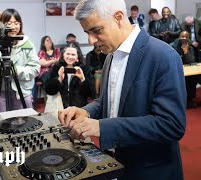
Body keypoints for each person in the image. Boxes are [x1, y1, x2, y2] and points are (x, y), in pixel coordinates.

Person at [58, 1, 186, 180]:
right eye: (87, 33)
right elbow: (107, 101)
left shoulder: (163, 56)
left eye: (97, 30)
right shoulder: (110, 56)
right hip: (117, 166)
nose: (91, 41)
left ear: (118, 18)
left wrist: (102, 127)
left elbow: (171, 125)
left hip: (149, 171)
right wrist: (85, 112)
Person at [0, 8, 40, 112]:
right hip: (0, 92)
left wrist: (14, 70)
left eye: (16, 23)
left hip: (21, 91)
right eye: (8, 23)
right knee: (1, 123)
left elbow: (35, 70)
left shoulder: (27, 44)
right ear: (2, 24)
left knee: (24, 123)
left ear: (20, 24)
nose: (13, 27)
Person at [171, 31, 198, 108]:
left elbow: (191, 61)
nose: (183, 39)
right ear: (179, 37)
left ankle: (191, 98)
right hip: (177, 69)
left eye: (185, 37)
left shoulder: (190, 47)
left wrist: (186, 52)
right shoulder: (174, 46)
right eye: (182, 37)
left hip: (188, 70)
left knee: (192, 79)